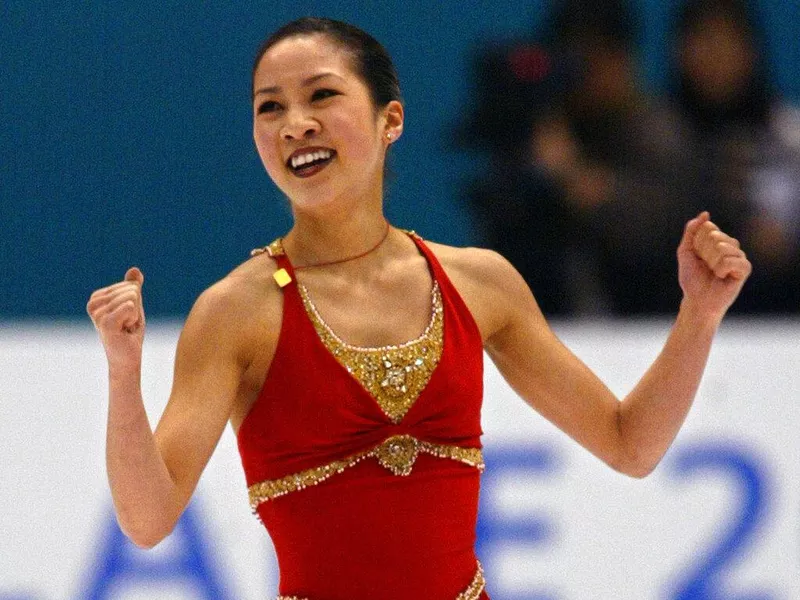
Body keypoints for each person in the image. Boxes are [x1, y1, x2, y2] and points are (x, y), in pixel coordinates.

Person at [86, 17, 752, 600]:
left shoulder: (478, 283)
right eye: (270, 107)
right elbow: (148, 520)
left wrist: (700, 313)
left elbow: (630, 443)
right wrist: (122, 372)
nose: (296, 124)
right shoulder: (237, 312)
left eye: (321, 95)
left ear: (390, 120)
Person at [667, 0, 800, 313]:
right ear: (680, 49)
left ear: (751, 49)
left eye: (726, 39)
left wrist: (788, 240)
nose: (715, 54)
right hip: (667, 310)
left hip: (778, 311)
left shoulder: (787, 134)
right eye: (703, 39)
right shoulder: (654, 134)